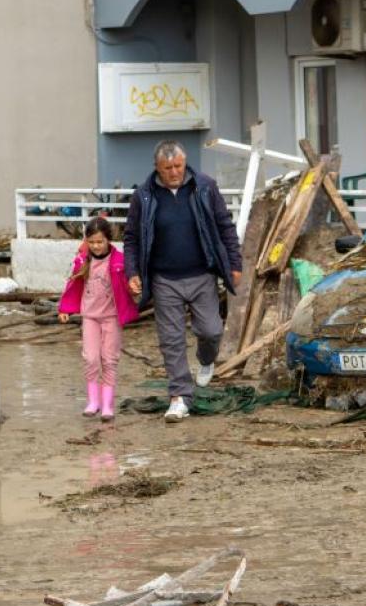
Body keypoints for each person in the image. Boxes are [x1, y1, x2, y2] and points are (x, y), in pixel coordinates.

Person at [124, 141, 243, 423]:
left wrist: (234, 262)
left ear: (185, 162)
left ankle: (205, 359)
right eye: (168, 168)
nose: (174, 172)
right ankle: (179, 398)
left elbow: (225, 225)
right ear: (157, 168)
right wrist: (132, 272)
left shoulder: (204, 187)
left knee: (211, 330)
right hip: (165, 279)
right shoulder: (144, 196)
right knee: (171, 341)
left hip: (202, 274)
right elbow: (131, 239)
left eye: (178, 166)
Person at [58, 217, 140, 421]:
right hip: (90, 317)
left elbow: (131, 284)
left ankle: (107, 405)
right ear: (86, 241)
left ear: (108, 240)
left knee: (109, 359)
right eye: (91, 242)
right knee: (91, 358)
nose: (95, 246)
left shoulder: (120, 261)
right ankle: (93, 402)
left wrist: (133, 289)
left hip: (111, 317)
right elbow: (72, 285)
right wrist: (65, 308)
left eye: (100, 242)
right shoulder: (82, 261)